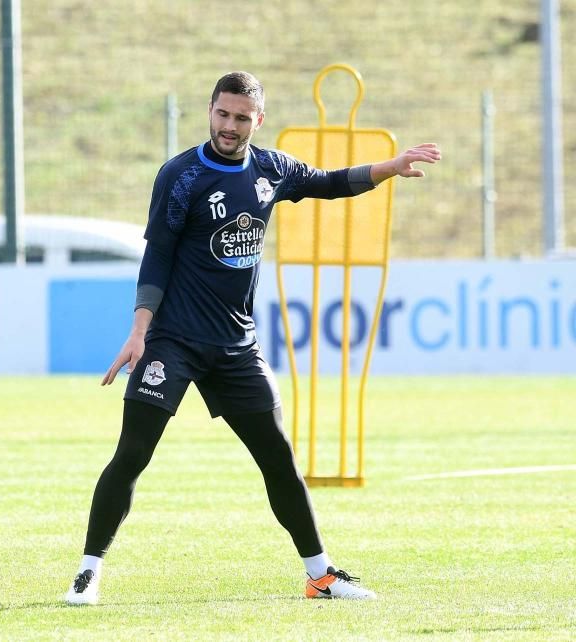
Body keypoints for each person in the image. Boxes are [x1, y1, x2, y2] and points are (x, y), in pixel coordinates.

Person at [64, 71, 441, 605]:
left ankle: (320, 575)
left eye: (242, 118)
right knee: (132, 454)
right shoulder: (181, 176)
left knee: (279, 457)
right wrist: (140, 330)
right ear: (210, 111)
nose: (230, 125)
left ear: (257, 121)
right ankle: (87, 572)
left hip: (237, 346)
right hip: (172, 341)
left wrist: (391, 168)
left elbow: (331, 183)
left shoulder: (270, 169)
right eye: (223, 114)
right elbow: (159, 255)